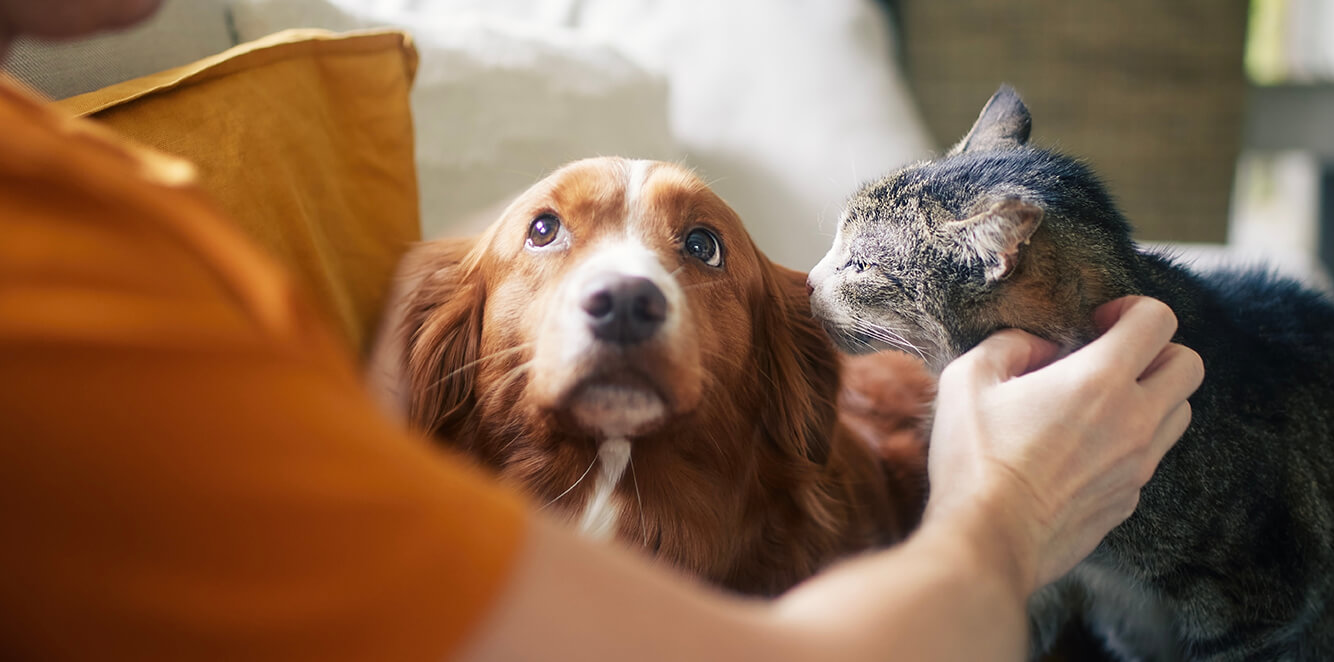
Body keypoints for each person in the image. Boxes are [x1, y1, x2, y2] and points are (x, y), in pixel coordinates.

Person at [0, 1, 1203, 660]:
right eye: (548, 239)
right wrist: (1010, 506)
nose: (625, 286)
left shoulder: (84, 198)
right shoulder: (47, 250)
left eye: (698, 251)